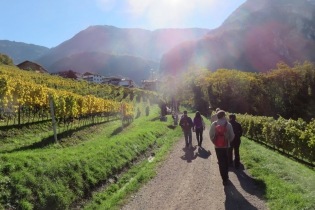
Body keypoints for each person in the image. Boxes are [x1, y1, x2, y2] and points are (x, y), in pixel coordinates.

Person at [209, 110, 235, 185]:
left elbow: (211, 135)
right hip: (226, 146)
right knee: (226, 161)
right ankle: (226, 176)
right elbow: (232, 136)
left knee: (220, 162)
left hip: (217, 146)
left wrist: (214, 142)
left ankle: (223, 178)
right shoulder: (228, 124)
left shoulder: (214, 124)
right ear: (223, 116)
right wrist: (228, 141)